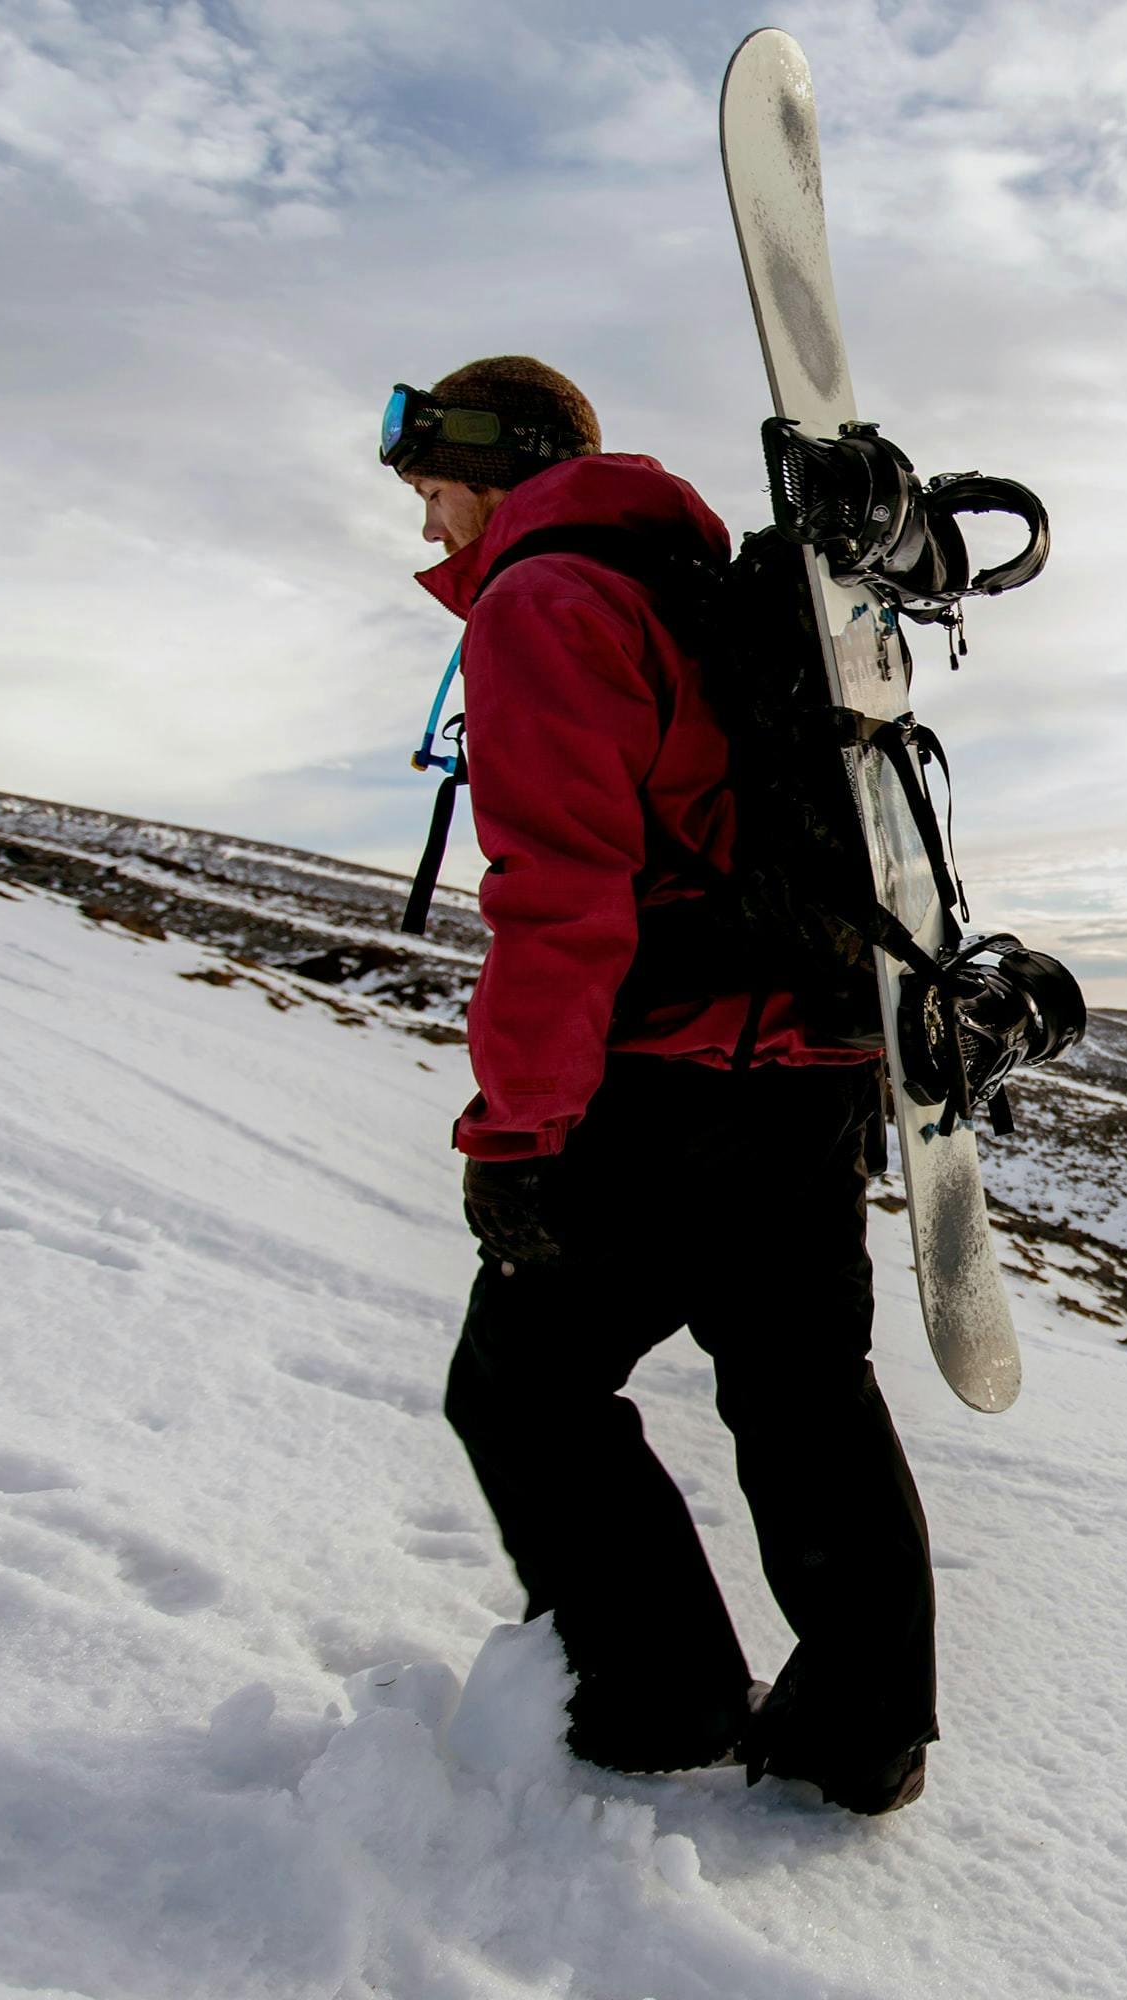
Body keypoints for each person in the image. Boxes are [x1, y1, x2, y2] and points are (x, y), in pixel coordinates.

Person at [389, 354, 934, 1812]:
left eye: (428, 483)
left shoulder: (548, 602)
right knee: (804, 1387)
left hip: (657, 1083)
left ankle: (660, 1699)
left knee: (523, 1391)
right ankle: (863, 1733)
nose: (425, 518)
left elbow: (561, 894)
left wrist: (517, 1131)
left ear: (485, 464)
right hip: (810, 1070)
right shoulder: (727, 594)